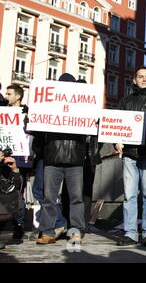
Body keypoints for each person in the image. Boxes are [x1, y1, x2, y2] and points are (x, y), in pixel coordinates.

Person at [36, 73, 86, 245]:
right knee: (49, 197)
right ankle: (47, 232)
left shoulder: (82, 105)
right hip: (53, 157)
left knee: (76, 198)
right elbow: (38, 130)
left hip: (75, 158)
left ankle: (75, 232)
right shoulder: (49, 105)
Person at [115, 66, 146, 247]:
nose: (144, 79)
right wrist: (116, 141)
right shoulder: (125, 101)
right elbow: (116, 124)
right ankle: (130, 233)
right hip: (130, 154)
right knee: (129, 195)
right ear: (134, 80)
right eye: (140, 76)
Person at [4, 84, 29, 241]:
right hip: (5, 157)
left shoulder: (27, 112)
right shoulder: (3, 111)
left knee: (19, 192)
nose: (6, 96)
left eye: (9, 93)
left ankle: (18, 225)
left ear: (18, 96)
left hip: (22, 159)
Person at [0, 150, 23, 249]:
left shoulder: (4, 168)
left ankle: (17, 225)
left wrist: (14, 169)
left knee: (12, 198)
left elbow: (14, 188)